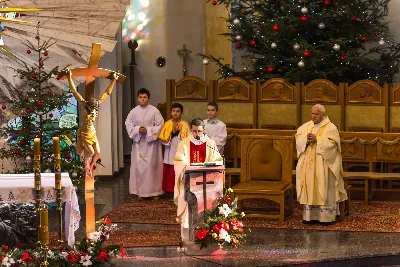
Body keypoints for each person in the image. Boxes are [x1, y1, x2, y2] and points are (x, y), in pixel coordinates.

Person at [295, 104, 347, 225]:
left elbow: (333, 144)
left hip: (323, 164)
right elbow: (298, 138)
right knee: (309, 186)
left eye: (317, 114)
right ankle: (309, 216)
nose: (314, 116)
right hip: (308, 163)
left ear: (323, 114)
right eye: (312, 113)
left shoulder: (331, 127)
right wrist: (306, 140)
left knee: (324, 186)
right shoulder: (306, 126)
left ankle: (326, 217)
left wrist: (317, 140)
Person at [174, 118, 223, 240]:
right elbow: (179, 161)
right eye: (194, 131)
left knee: (209, 207)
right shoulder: (184, 144)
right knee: (187, 209)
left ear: (204, 130)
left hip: (208, 184)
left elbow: (217, 160)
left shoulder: (210, 144)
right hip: (189, 183)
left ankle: (208, 236)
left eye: (199, 131)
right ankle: (186, 238)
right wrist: (186, 167)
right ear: (191, 130)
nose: (197, 134)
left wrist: (213, 165)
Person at [125, 88, 164, 199]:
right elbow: (128, 125)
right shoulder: (133, 112)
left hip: (151, 144)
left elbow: (160, 125)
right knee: (139, 167)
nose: (142, 99)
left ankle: (155, 192)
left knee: (152, 167)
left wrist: (148, 130)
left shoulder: (154, 111)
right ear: (138, 98)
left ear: (148, 98)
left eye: (145, 97)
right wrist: (138, 130)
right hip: (139, 144)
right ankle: (140, 192)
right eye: (141, 97)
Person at [158, 103, 190, 199]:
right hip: (170, 150)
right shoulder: (167, 124)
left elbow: (187, 139)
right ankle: (169, 191)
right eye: (173, 111)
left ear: (181, 113)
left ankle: (180, 191)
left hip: (179, 151)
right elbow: (162, 139)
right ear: (171, 112)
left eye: (178, 111)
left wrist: (178, 133)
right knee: (169, 170)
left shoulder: (184, 124)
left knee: (178, 170)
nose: (175, 113)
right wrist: (172, 133)